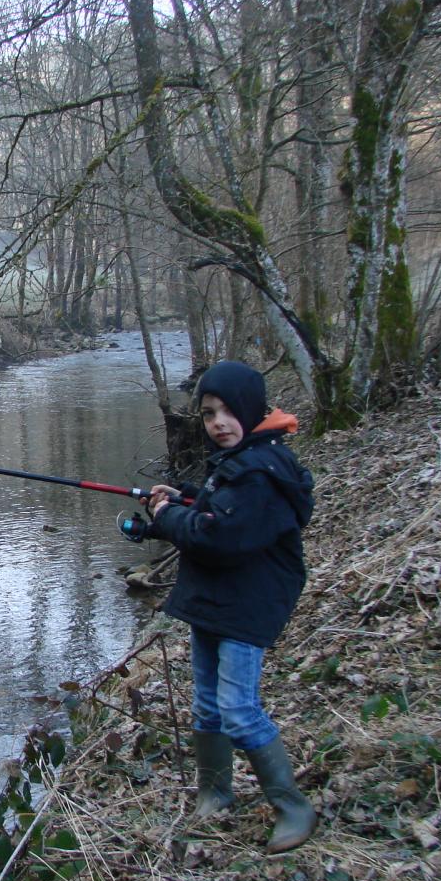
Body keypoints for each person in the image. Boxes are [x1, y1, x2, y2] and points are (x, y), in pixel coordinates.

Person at [143, 359, 317, 853]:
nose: (218, 423)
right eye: (208, 414)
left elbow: (221, 536)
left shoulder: (263, 471)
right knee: (207, 704)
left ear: (251, 410)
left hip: (246, 605)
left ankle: (293, 808)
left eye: (227, 412)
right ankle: (215, 794)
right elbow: (221, 510)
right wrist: (186, 499)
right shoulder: (243, 460)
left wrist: (170, 515)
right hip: (217, 600)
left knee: (239, 709)